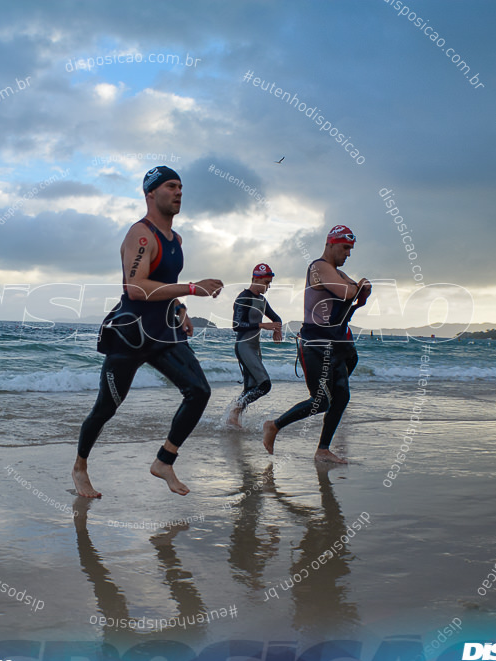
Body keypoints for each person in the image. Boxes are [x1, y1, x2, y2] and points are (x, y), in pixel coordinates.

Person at [75, 166, 224, 498]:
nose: (178, 192)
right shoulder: (140, 235)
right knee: (106, 408)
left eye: (181, 187)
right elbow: (136, 289)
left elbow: (163, 286)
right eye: (171, 186)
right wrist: (191, 288)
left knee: (199, 391)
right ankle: (80, 467)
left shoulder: (176, 240)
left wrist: (179, 308)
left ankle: (164, 461)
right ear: (150, 193)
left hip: (163, 332)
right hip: (130, 335)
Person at [262, 225, 371, 463]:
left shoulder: (337, 273)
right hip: (316, 344)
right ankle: (274, 426)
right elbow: (348, 292)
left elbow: (358, 294)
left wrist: (360, 290)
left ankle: (323, 449)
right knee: (321, 401)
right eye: (345, 248)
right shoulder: (318, 267)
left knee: (341, 397)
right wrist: (359, 288)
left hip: (337, 345)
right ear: (330, 244)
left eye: (351, 249)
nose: (348, 254)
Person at [227, 263, 283, 427]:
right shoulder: (243, 297)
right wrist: (262, 325)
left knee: (250, 387)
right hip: (244, 347)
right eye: (266, 282)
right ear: (255, 279)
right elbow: (236, 325)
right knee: (264, 385)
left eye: (269, 283)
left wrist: (276, 329)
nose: (268, 286)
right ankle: (235, 411)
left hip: (255, 348)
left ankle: (233, 420)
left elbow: (276, 318)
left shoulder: (261, 300)